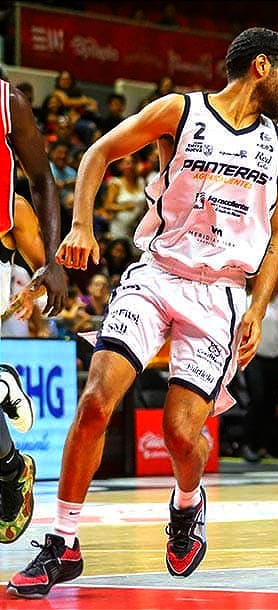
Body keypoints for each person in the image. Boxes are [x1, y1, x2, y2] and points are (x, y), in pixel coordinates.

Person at [8, 28, 278, 597]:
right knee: (95, 399)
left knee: (179, 432)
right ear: (261, 66)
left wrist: (258, 308)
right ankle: (61, 542)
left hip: (220, 295)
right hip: (158, 273)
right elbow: (98, 153)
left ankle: (187, 503)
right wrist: (82, 225)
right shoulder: (180, 111)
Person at [0, 76, 68, 546]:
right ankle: (8, 468)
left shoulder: (8, 103)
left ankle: (8, 470)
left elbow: (42, 178)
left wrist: (51, 261)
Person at [241, 285, 278, 462]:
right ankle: (248, 444)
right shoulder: (248, 301)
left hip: (276, 359)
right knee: (256, 399)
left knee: (271, 402)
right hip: (254, 358)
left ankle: (263, 446)